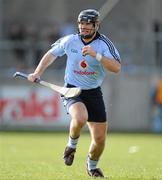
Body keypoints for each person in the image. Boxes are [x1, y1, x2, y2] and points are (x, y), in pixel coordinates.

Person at [28, 9, 121, 178]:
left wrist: (97, 56)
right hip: (72, 90)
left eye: (88, 24)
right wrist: (37, 73)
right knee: (80, 117)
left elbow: (116, 68)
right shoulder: (70, 40)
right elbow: (51, 55)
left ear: (96, 25)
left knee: (99, 140)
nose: (84, 27)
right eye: (81, 23)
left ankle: (92, 167)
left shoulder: (104, 44)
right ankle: (71, 146)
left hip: (93, 92)